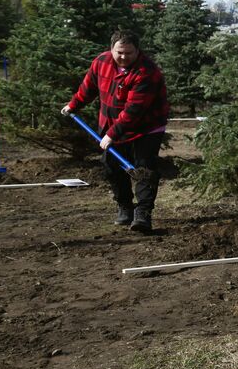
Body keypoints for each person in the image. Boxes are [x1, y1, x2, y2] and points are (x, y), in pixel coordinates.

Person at [61, 30, 169, 232]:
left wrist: (111, 134)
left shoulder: (147, 72)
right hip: (113, 122)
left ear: (137, 51)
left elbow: (133, 111)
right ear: (111, 49)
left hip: (146, 127)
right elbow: (88, 87)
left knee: (144, 168)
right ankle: (125, 207)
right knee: (111, 165)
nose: (123, 57)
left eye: (129, 53)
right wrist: (74, 105)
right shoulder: (101, 62)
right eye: (119, 52)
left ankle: (143, 213)